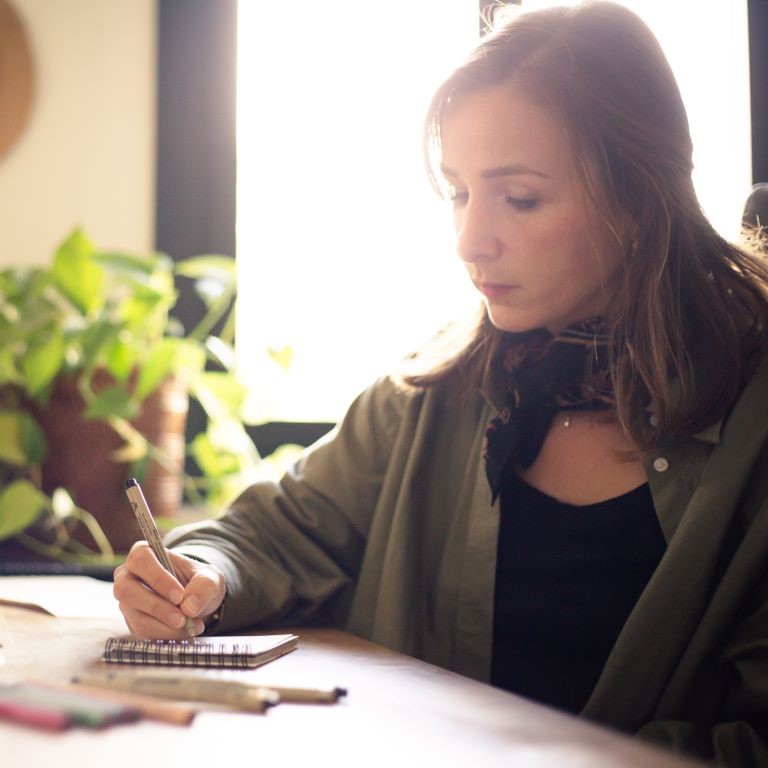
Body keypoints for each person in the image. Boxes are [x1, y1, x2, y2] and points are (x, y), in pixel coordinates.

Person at [113, 2, 768, 765]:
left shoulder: (752, 424)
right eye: (459, 192)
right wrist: (201, 578)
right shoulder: (431, 395)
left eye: (519, 198)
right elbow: (269, 532)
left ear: (637, 195)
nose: (468, 240)